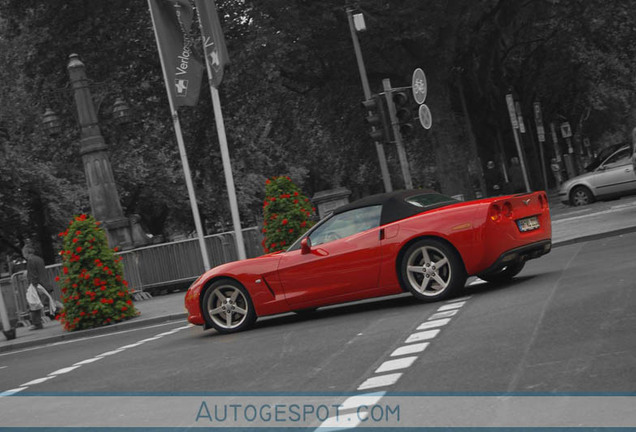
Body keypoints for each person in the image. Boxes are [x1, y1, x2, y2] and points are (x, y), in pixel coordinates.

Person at [23, 244, 54, 330]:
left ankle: (37, 324)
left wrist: (34, 286)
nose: (23, 255)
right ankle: (37, 323)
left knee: (34, 304)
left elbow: (34, 275)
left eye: (24, 253)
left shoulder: (31, 260)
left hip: (39, 285)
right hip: (45, 284)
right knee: (46, 303)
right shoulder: (39, 259)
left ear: (27, 252)